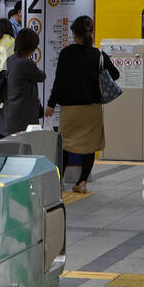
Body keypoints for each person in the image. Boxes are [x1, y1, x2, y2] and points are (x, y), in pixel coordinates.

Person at [46, 14, 120, 194]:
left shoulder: (66, 53)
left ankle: (58, 182)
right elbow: (115, 75)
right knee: (88, 146)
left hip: (70, 109)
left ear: (75, 34)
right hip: (92, 109)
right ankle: (82, 182)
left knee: (65, 145)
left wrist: (50, 104)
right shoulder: (98, 54)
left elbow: (59, 81)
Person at [0, 27, 47, 137]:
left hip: (9, 116)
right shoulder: (26, 63)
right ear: (30, 48)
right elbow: (42, 76)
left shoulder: (11, 59)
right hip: (22, 120)